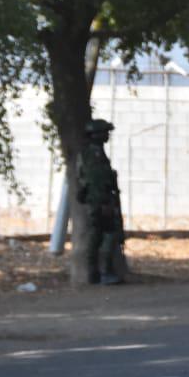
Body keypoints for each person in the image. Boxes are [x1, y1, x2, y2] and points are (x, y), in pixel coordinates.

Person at [77, 119, 125, 284]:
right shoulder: (94, 154)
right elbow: (97, 180)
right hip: (99, 201)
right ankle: (104, 272)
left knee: (96, 235)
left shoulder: (92, 152)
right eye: (104, 132)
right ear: (95, 135)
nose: (107, 135)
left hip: (96, 200)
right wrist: (105, 203)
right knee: (108, 234)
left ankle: (95, 273)